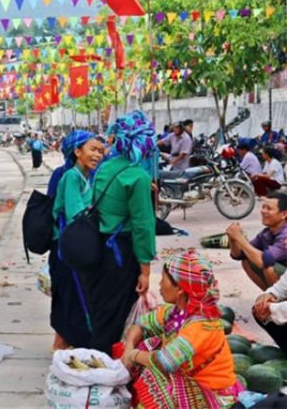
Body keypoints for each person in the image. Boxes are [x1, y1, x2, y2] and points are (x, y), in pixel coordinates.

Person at [122, 250, 241, 408]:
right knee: (148, 344)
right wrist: (129, 347)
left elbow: (165, 362)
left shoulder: (202, 326)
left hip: (212, 393)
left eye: (163, 280)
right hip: (188, 380)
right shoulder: (174, 312)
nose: (159, 285)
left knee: (151, 369)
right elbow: (140, 324)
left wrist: (133, 355)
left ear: (180, 289)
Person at [80, 110, 157, 355]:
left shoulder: (105, 167)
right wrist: (145, 270)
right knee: (116, 315)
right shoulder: (138, 177)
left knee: (102, 309)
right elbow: (143, 226)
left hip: (100, 246)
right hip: (122, 252)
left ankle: (96, 359)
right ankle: (103, 368)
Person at [50, 130, 106, 351]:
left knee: (74, 297)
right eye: (93, 149)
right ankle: (61, 347)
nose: (98, 155)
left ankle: (68, 344)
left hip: (75, 246)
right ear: (77, 151)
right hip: (67, 248)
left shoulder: (87, 177)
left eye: (101, 151)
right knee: (70, 298)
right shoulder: (71, 177)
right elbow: (76, 215)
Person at [228, 192, 287, 289]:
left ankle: (277, 300)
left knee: (269, 268)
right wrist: (233, 239)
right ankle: (268, 296)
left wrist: (240, 238)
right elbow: (238, 255)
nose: (263, 211)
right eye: (263, 207)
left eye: (269, 208)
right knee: (247, 260)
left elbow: (265, 260)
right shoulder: (266, 233)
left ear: (284, 214)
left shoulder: (285, 234)